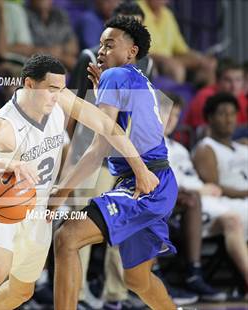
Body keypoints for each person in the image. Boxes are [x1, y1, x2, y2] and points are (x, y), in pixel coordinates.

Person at [0, 53, 159, 309]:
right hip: (1, 202)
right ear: (29, 84)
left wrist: (140, 169)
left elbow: (105, 124)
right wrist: (8, 163)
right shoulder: (5, 125)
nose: (57, 95)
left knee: (22, 291)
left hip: (37, 206)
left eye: (60, 88)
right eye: (51, 89)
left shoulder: (60, 99)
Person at [50, 17, 178, 310]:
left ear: (132, 51)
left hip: (142, 183)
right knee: (137, 280)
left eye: (110, 45)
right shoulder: (136, 79)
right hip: (161, 183)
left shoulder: (115, 77)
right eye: (100, 45)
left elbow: (100, 146)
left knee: (66, 238)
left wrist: (61, 192)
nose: (101, 51)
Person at [164, 93, 228, 302]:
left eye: (176, 116)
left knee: (195, 200)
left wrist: (205, 188)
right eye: (167, 114)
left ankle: (194, 272)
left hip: (197, 198)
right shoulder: (149, 143)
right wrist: (201, 190)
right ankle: (191, 272)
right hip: (173, 202)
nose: (171, 120)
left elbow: (190, 179)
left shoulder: (180, 148)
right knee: (194, 201)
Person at [192, 93, 248, 297]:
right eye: (223, 114)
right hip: (225, 203)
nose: (229, 118)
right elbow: (214, 186)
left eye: (233, 114)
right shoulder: (206, 148)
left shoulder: (242, 146)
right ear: (210, 118)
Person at [184, 60, 248, 131]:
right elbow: (203, 131)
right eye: (228, 80)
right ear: (217, 81)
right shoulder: (205, 97)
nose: (234, 86)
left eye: (238, 80)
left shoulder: (242, 97)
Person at [27, 0, 79, 71]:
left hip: (62, 60)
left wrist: (56, 52)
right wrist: (50, 52)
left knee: (78, 65)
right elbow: (23, 49)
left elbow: (73, 48)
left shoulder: (60, 14)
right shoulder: (24, 14)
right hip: (35, 64)